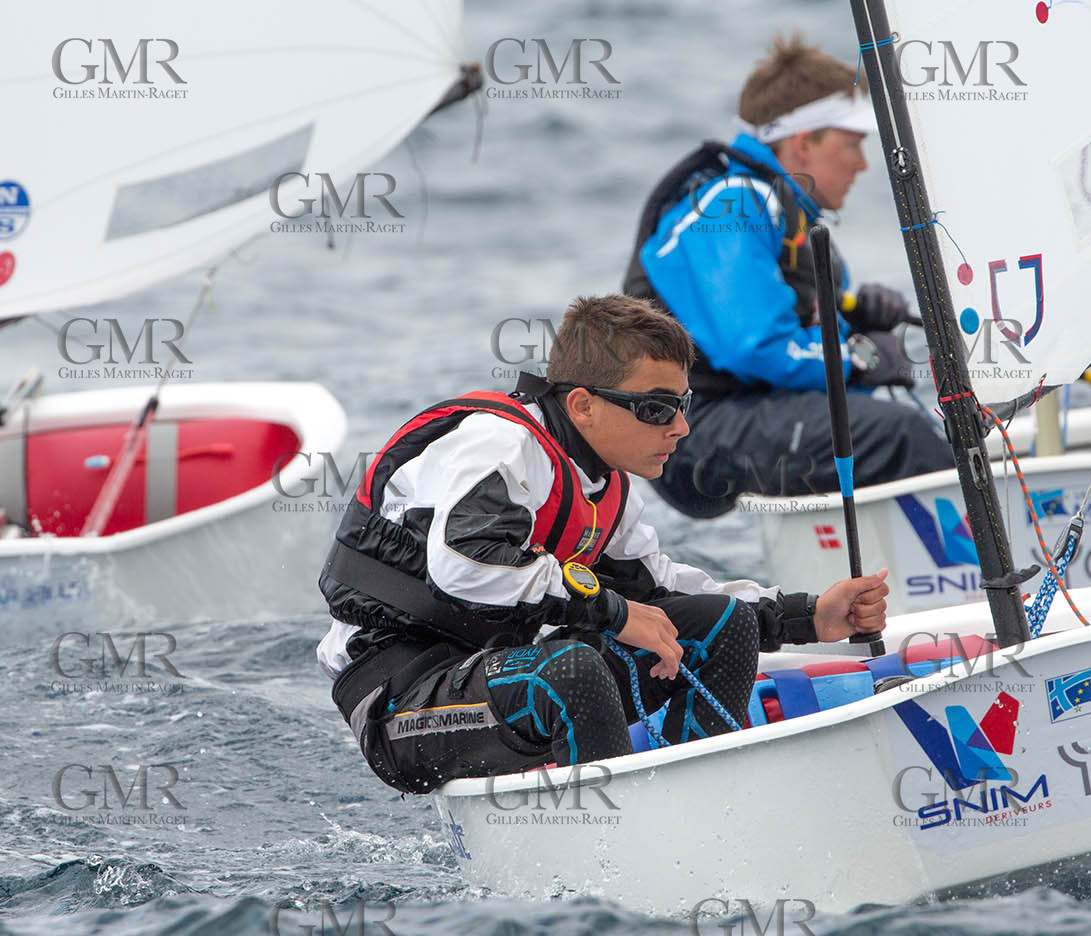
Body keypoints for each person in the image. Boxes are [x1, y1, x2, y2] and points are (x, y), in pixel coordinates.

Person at [316, 294, 889, 793]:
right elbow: (463, 566)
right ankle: (617, 848)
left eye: (683, 406)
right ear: (583, 405)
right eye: (656, 408)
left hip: (489, 674)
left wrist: (807, 616)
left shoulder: (603, 486)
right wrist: (611, 612)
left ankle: (706, 802)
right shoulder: (499, 445)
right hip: (399, 697)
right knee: (574, 670)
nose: (680, 428)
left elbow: (662, 587)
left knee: (719, 624)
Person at [622, 33, 951, 519]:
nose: (862, 164)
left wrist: (856, 327)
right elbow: (754, 345)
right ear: (803, 144)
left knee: (895, 427)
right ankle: (976, 570)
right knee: (899, 435)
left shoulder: (778, 209)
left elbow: (793, 335)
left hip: (735, 413)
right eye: (852, 144)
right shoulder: (731, 203)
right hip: (690, 430)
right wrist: (858, 360)